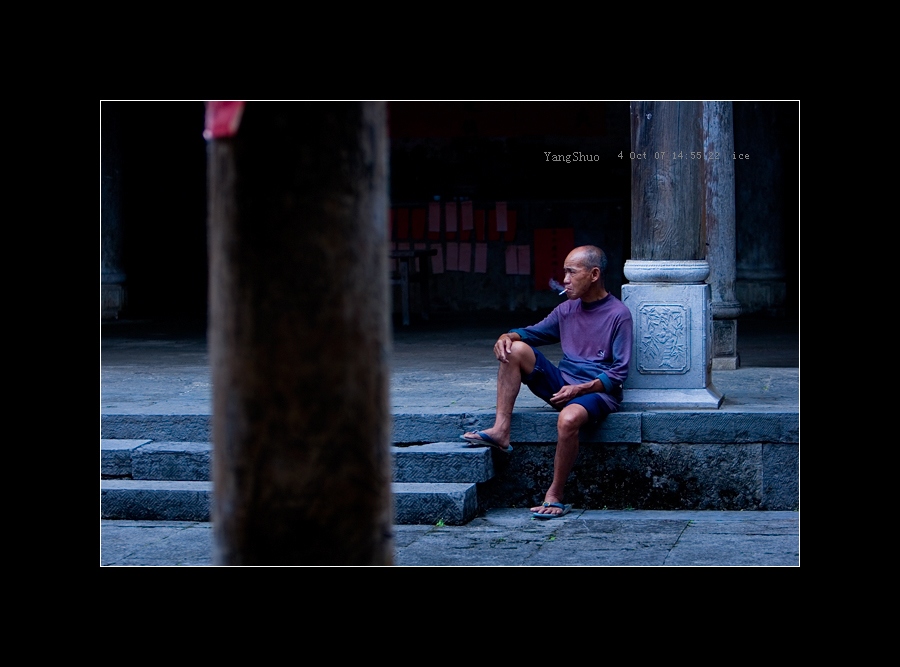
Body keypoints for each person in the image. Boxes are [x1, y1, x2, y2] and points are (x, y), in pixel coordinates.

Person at [461, 245, 633, 518]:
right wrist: (507, 336)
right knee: (514, 350)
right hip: (563, 386)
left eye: (571, 272)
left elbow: (619, 373)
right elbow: (531, 334)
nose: (564, 279)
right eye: (563, 272)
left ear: (594, 274)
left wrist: (581, 388)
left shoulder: (618, 314)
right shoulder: (566, 310)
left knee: (567, 419)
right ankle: (501, 430)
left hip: (597, 393)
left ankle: (555, 494)